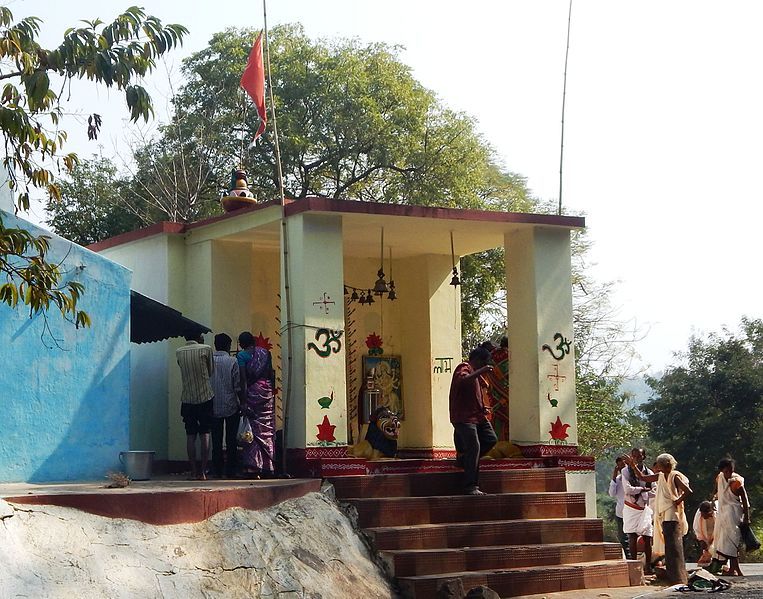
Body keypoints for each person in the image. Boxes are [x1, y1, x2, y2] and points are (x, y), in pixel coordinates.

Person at [626, 452, 692, 584]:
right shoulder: (661, 476)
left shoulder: (675, 476)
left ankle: (677, 574)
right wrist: (633, 466)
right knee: (666, 538)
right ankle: (670, 569)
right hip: (663, 511)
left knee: (672, 538)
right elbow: (643, 478)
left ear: (665, 464)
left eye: (659, 463)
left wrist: (677, 501)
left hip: (672, 511)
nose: (658, 466)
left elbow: (688, 491)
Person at [449, 346, 497, 495]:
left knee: (491, 439)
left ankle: (465, 460)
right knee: (474, 447)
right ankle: (471, 486)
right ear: (477, 360)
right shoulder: (464, 367)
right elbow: (462, 381)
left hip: (478, 416)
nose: (485, 366)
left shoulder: (476, 376)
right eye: (484, 362)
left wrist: (483, 407)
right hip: (464, 417)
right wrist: (480, 372)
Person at [237, 332, 276, 479]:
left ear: (241, 343)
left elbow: (243, 379)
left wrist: (243, 401)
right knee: (267, 428)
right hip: (267, 393)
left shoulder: (241, 356)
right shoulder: (266, 353)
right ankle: (268, 466)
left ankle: (253, 467)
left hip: (252, 393)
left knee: (252, 428)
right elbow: (271, 374)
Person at [176, 332, 215, 480]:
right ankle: (203, 472)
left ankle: (193, 471)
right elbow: (211, 371)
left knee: (190, 435)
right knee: (205, 433)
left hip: (187, 398)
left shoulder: (178, 352)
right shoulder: (206, 349)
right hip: (205, 396)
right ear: (199, 337)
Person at [210, 333, 243, 479]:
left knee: (216, 439)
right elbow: (237, 385)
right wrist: (242, 403)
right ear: (228, 346)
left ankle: (216, 469)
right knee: (231, 440)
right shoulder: (232, 361)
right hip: (231, 405)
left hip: (213, 404)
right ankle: (231, 469)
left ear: (216, 344)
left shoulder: (208, 361)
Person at [711, 458, 750, 576]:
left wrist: (747, 518)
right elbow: (716, 490)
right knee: (724, 541)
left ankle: (734, 569)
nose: (729, 473)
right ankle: (734, 568)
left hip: (734, 513)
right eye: (726, 471)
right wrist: (713, 500)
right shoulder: (720, 478)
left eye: (731, 471)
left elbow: (745, 500)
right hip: (722, 513)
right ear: (722, 470)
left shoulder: (737, 482)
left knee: (733, 541)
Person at [621, 448, 655, 571]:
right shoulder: (625, 471)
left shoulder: (649, 473)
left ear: (644, 457)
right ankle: (633, 566)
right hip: (631, 507)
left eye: (639, 456)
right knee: (632, 536)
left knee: (647, 537)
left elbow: (654, 491)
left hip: (644, 508)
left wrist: (643, 491)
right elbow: (628, 489)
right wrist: (643, 490)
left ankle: (648, 567)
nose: (636, 459)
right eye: (634, 456)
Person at [485, 337, 509, 441]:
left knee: (497, 421)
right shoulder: (512, 356)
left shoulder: (491, 357)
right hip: (508, 398)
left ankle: (497, 444)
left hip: (494, 398)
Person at [608, 455, 630, 558]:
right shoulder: (617, 479)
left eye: (624, 465)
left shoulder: (633, 477)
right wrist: (614, 476)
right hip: (621, 512)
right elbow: (612, 493)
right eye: (620, 466)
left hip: (634, 511)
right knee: (623, 538)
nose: (622, 468)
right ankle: (628, 558)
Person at [693, 500, 716, 566]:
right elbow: (696, 528)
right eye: (702, 514)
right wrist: (701, 540)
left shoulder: (717, 514)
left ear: (711, 511)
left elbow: (721, 528)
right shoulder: (699, 515)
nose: (703, 516)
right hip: (705, 532)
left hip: (716, 531)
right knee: (707, 548)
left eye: (705, 515)